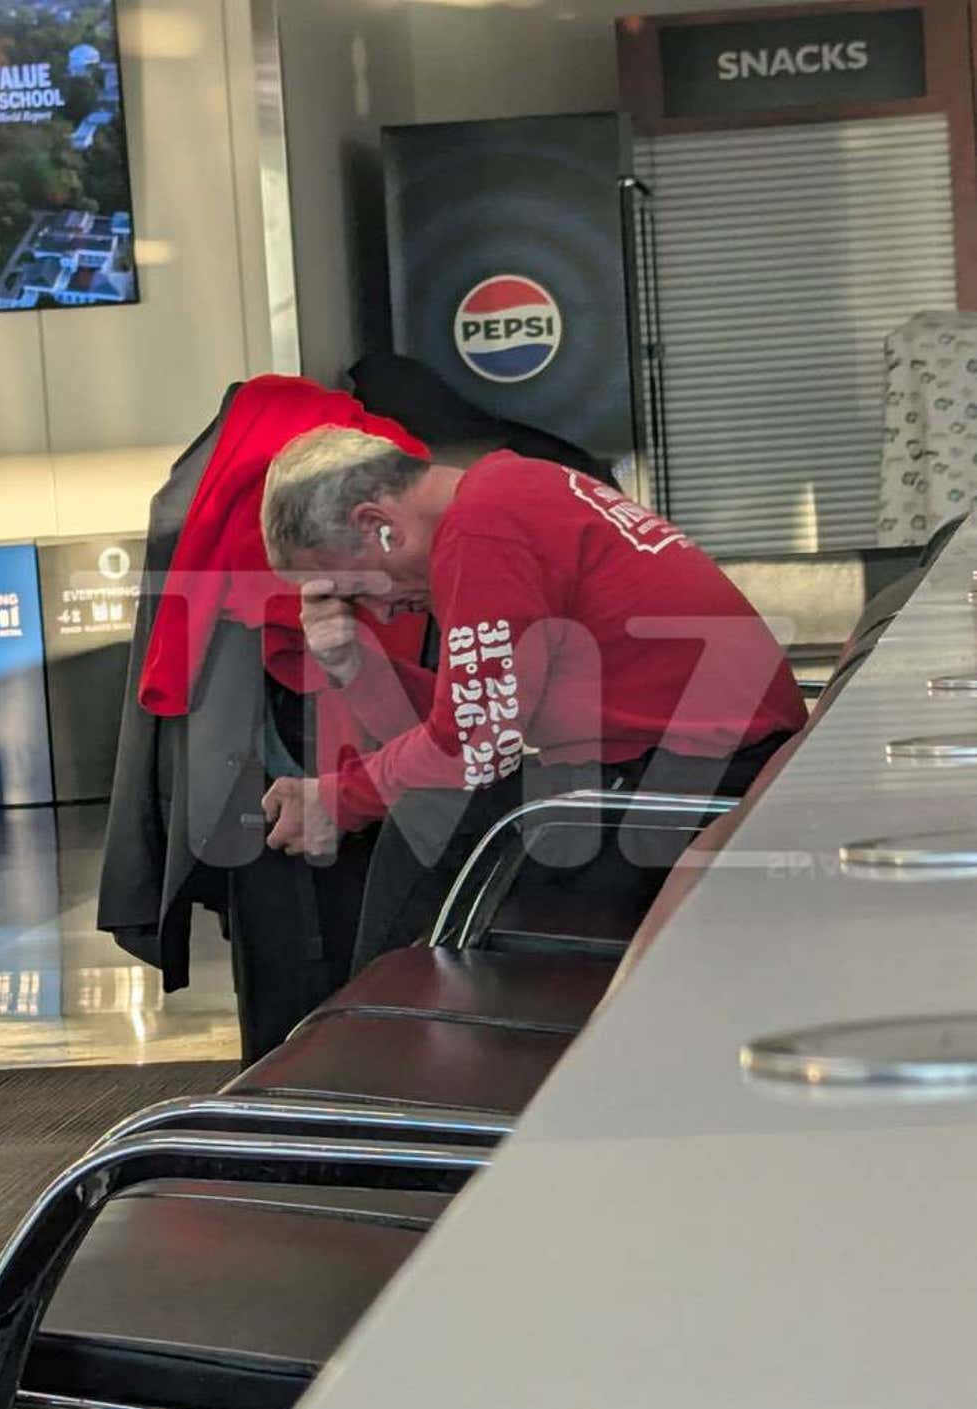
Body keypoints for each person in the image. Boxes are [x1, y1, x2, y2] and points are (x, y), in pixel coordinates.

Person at [259, 427, 809, 968]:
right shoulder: (507, 487)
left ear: (378, 526)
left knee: (428, 819)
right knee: (417, 811)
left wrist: (337, 800)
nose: (379, 614)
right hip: (707, 769)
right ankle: (381, 1032)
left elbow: (470, 751)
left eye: (358, 591)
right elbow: (476, 716)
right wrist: (357, 668)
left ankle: (374, 1038)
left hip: (696, 788)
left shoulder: (482, 532)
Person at [97, 376, 432, 1065]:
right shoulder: (402, 479)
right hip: (379, 774)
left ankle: (280, 1104)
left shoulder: (202, 493)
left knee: (282, 968)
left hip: (256, 774)